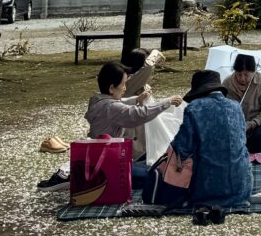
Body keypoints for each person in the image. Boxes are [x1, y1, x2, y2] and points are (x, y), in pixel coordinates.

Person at [38, 61, 182, 190]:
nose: (125, 88)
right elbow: (139, 114)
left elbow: (119, 103)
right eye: (123, 84)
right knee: (156, 176)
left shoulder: (97, 99)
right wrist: (167, 102)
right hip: (106, 163)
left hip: (99, 156)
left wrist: (136, 99)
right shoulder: (111, 108)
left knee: (150, 165)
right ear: (112, 88)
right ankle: (75, 178)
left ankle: (75, 175)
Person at [169, 70, 252, 209]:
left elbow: (182, 148)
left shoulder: (194, 108)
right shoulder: (236, 106)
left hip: (207, 191)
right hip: (241, 190)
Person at [222, 53, 261, 153]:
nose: (242, 78)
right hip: (234, 126)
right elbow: (221, 108)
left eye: (246, 75)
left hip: (257, 126)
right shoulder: (227, 83)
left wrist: (252, 123)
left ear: (253, 72)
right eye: (239, 74)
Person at [122, 48, 165, 157]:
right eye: (146, 59)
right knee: (138, 152)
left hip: (146, 122)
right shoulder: (130, 81)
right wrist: (156, 53)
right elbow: (148, 66)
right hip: (136, 126)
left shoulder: (139, 81)